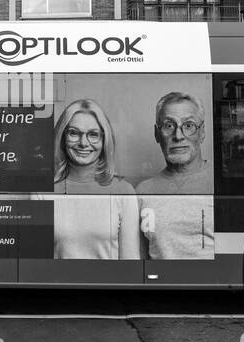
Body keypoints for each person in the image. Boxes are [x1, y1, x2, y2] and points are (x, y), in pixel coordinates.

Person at [45, 99, 140, 261]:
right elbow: (35, 268)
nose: (83, 143)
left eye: (93, 134)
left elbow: (130, 264)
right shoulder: (43, 192)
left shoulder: (123, 191)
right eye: (74, 133)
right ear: (62, 137)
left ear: (104, 140)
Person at [137, 92, 216, 260]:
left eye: (188, 125)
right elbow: (140, 260)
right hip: (161, 284)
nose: (178, 136)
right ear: (157, 134)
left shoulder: (222, 183)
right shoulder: (143, 191)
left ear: (202, 132)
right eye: (169, 125)